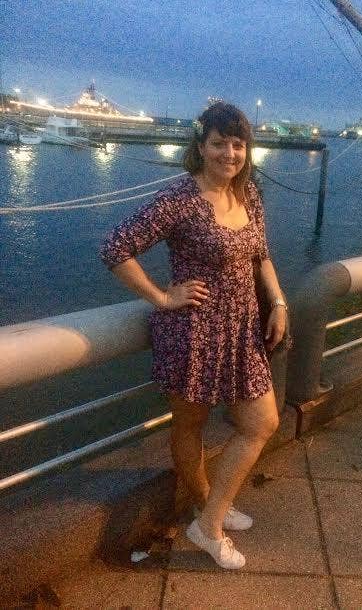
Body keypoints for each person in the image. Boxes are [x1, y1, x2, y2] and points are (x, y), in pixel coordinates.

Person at [100, 102, 287, 569]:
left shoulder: (248, 193)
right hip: (193, 333)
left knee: (261, 423)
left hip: (242, 331)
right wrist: (162, 297)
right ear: (201, 146)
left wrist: (279, 302)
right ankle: (208, 512)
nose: (230, 153)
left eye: (238, 144)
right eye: (220, 143)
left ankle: (209, 519)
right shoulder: (179, 198)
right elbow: (116, 247)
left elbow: (261, 255)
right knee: (190, 425)